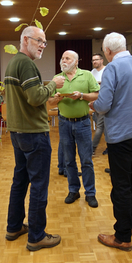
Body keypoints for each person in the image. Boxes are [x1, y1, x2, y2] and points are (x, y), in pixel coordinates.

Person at [89, 32, 132, 251]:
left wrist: (94, 107)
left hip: (122, 135)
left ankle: (122, 236)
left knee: (122, 185)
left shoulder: (112, 69)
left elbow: (104, 104)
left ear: (107, 51)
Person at [4, 26, 65, 251]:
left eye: (45, 43)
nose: (42, 46)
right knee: (39, 185)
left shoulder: (13, 63)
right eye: (39, 41)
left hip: (18, 132)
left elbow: (26, 98)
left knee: (20, 181)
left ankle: (14, 227)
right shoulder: (27, 64)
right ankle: (36, 236)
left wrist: (45, 92)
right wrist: (52, 85)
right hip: (33, 133)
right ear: (26, 39)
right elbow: (35, 97)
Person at [48, 50, 100, 208]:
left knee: (86, 160)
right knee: (69, 160)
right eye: (62, 58)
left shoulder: (86, 75)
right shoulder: (57, 79)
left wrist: (82, 96)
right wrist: (56, 99)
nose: (63, 60)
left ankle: (90, 193)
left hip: (83, 123)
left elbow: (97, 94)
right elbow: (49, 102)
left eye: (67, 58)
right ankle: (73, 190)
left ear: (76, 62)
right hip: (64, 123)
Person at [90, 53, 106, 157]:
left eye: (96, 60)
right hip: (96, 102)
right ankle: (111, 145)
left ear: (102, 60)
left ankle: (92, 149)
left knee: (100, 126)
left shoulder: (108, 70)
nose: (94, 62)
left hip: (105, 102)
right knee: (103, 126)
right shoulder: (92, 72)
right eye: (93, 60)